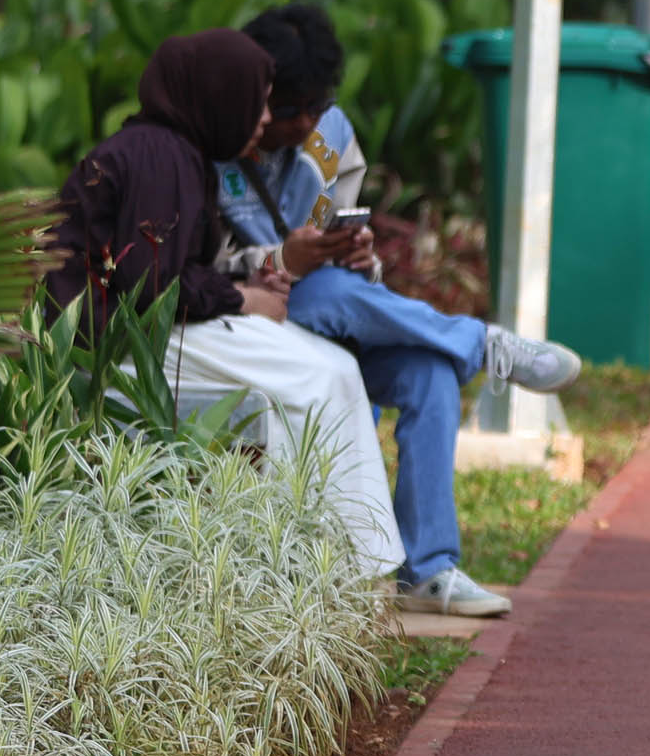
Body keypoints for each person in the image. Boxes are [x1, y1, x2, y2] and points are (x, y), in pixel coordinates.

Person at [218, 2, 577, 619]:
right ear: (257, 91)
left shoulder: (329, 137)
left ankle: (427, 569)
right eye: (292, 111)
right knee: (331, 293)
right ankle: (480, 343)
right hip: (245, 322)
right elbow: (193, 272)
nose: (307, 124)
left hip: (327, 311)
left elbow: (340, 239)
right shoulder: (213, 139)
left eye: (317, 109)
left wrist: (361, 260)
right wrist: (286, 258)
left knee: (428, 373)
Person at [46, 30, 408, 589]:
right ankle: (341, 566)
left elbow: (160, 270)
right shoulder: (160, 156)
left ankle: (331, 563)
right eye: (257, 99)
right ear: (219, 94)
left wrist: (238, 281)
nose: (265, 118)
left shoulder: (173, 152)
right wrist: (243, 298)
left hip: (142, 332)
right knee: (320, 375)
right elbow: (151, 287)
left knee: (321, 375)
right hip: (115, 346)